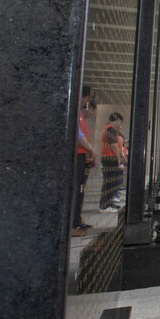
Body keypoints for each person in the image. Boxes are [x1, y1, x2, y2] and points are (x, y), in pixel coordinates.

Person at [71, 86, 98, 236]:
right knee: (76, 189)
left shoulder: (80, 114)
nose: (88, 103)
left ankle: (77, 221)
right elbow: (78, 135)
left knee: (79, 190)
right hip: (77, 156)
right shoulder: (75, 111)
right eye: (87, 99)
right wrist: (92, 150)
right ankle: (73, 223)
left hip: (82, 156)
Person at [99, 112, 125, 212]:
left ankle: (109, 203)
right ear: (117, 120)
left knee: (112, 182)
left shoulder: (108, 129)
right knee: (109, 182)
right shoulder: (110, 128)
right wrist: (119, 160)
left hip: (109, 158)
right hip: (109, 159)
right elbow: (114, 146)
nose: (120, 125)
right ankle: (104, 205)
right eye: (120, 122)